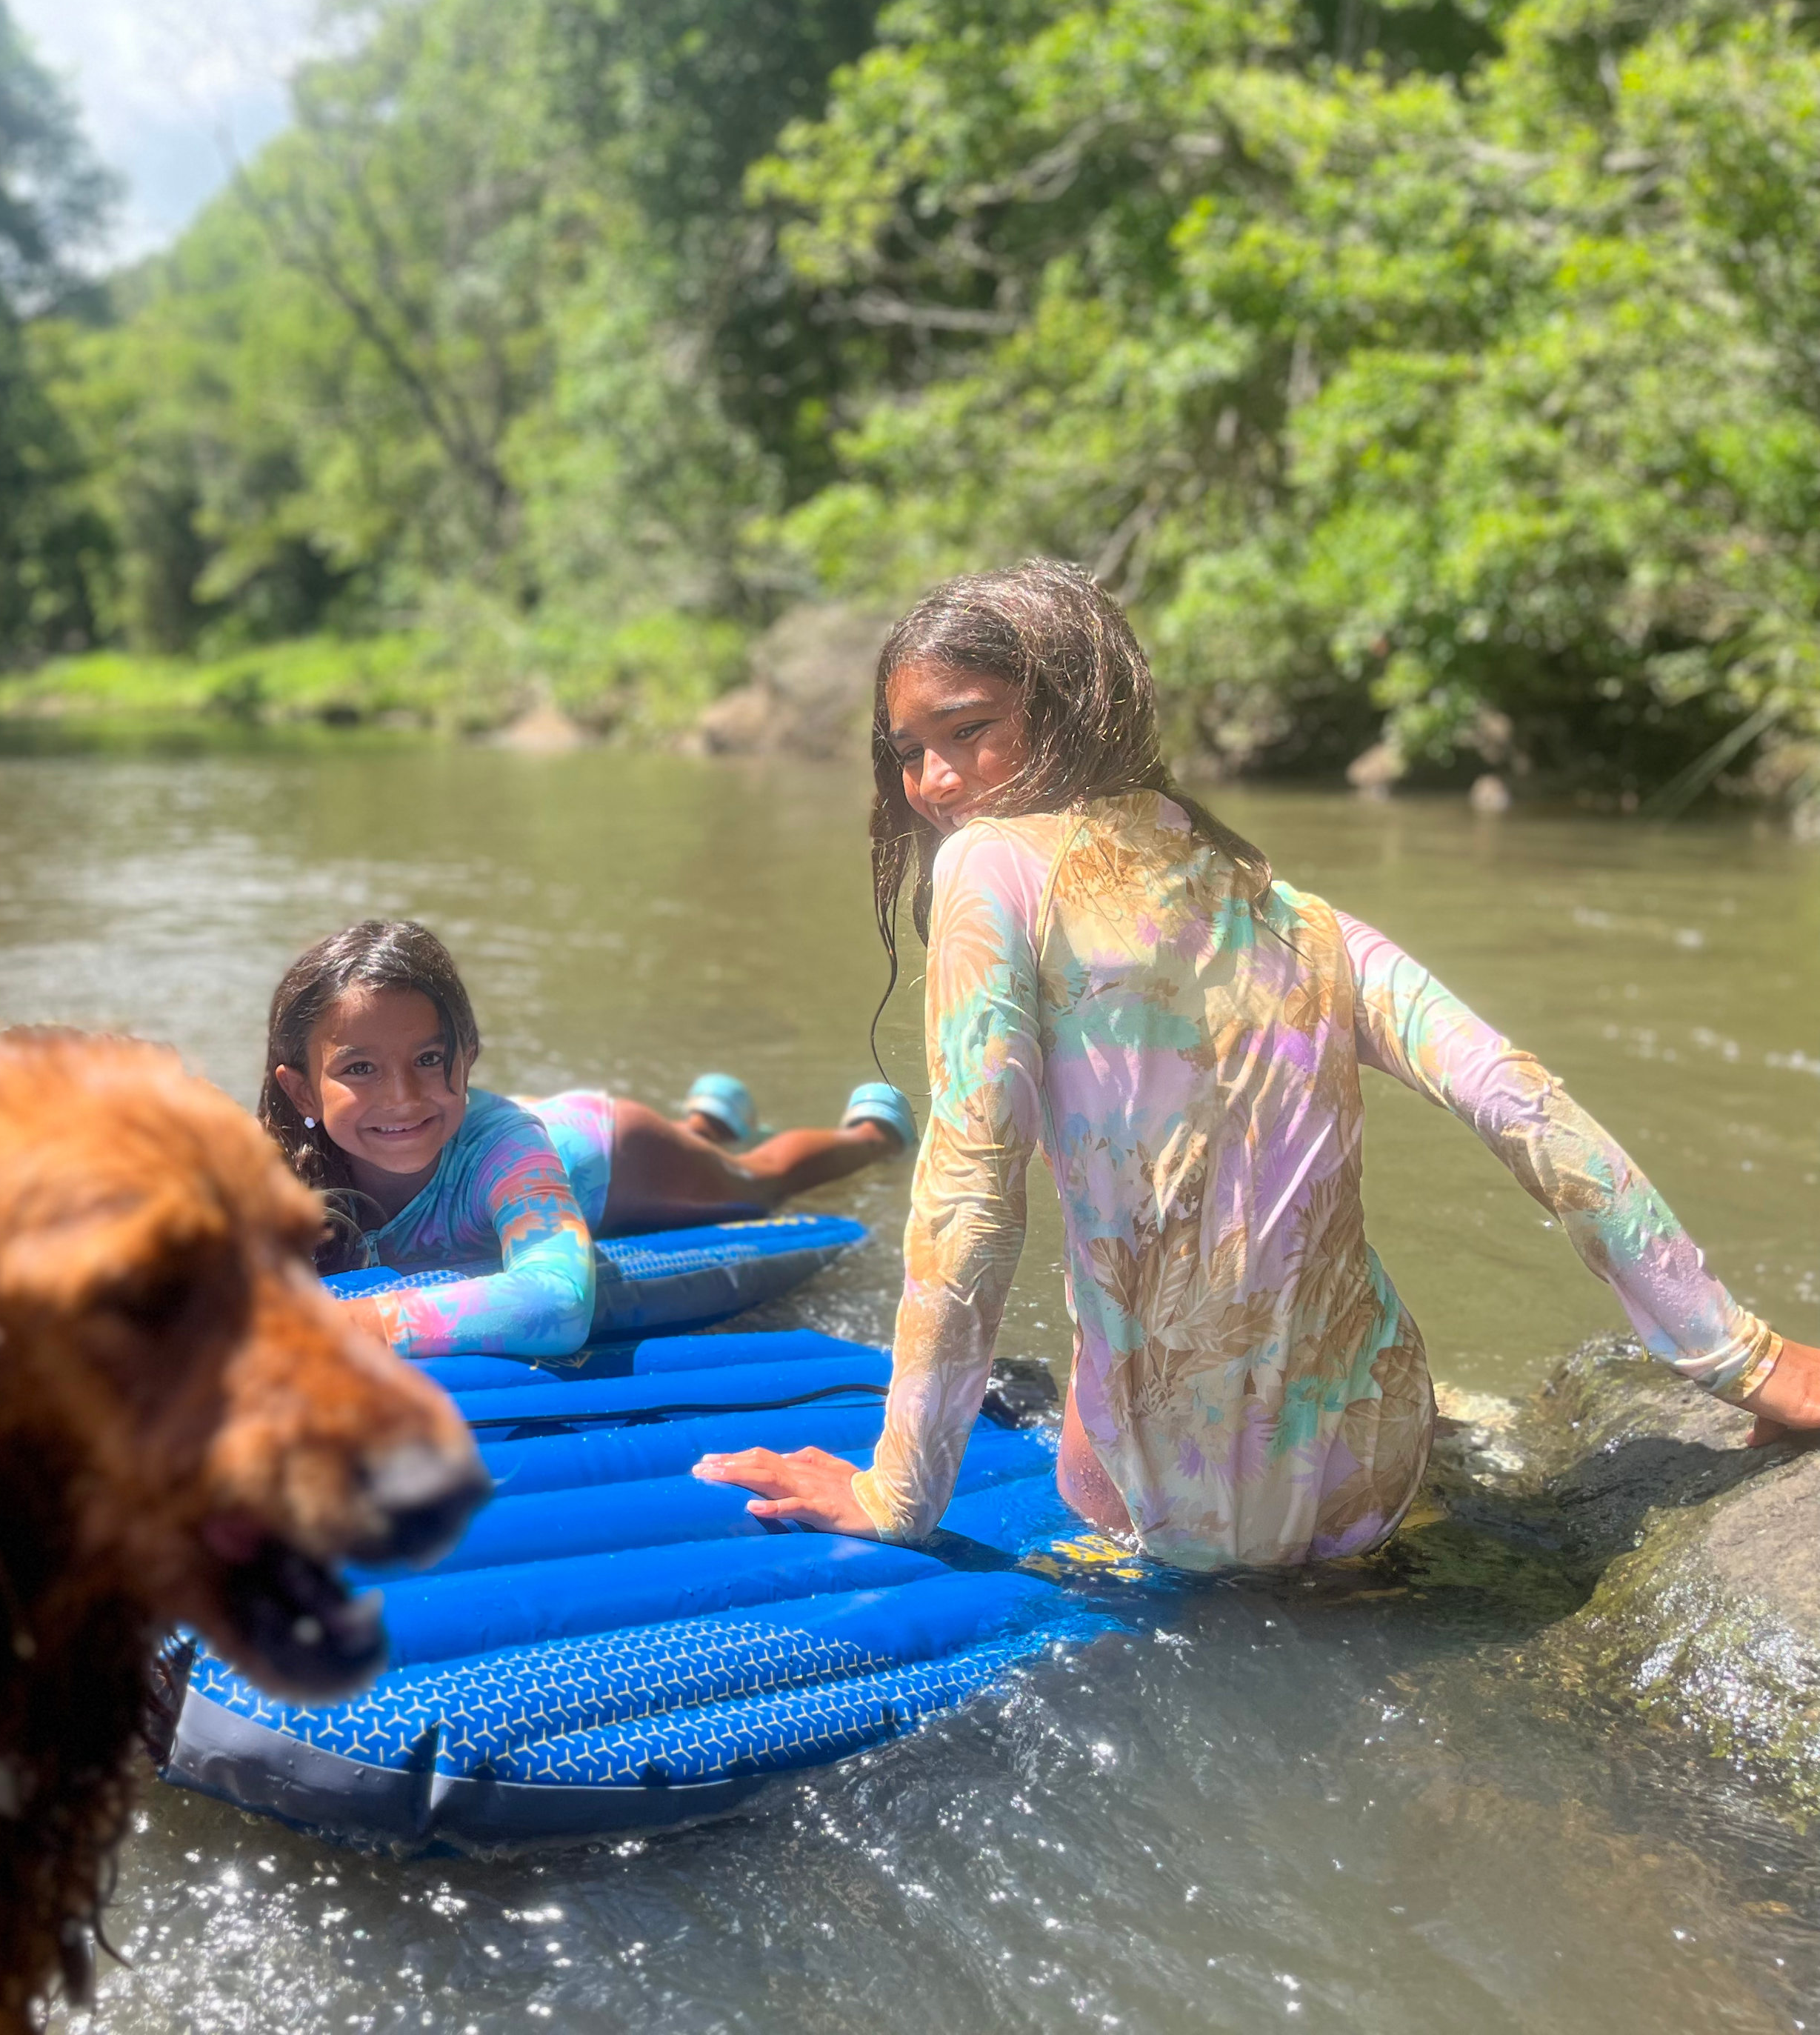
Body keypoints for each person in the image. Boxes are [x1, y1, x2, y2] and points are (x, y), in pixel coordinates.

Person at [695, 560, 1820, 1570]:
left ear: (1073, 708)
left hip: (1166, 1500)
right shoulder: (1300, 919)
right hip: (1373, 1467)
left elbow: (969, 1192)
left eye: (967, 731)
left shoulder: (992, 866)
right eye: (907, 754)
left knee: (1100, 1366)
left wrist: (897, 1493)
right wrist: (1744, 1360)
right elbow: (1521, 1102)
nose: (934, 781)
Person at [257, 919, 910, 1359]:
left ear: (469, 1056)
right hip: (528, 1135)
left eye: (430, 1059)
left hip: (611, 1152)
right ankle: (711, 1118)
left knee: (756, 1183)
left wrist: (358, 1323)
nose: (401, 1096)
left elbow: (561, 1302)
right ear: (303, 1092)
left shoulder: (504, 1152)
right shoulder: (279, 1171)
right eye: (360, 1069)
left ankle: (871, 1133)